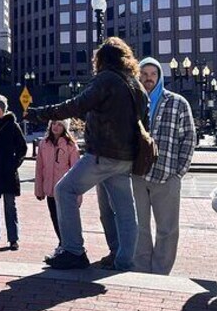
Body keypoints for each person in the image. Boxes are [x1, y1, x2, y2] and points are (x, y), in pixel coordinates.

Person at [26, 37, 148, 271]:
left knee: (64, 190)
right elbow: (141, 121)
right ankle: (124, 261)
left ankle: (73, 251)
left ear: (102, 59)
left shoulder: (106, 79)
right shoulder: (136, 85)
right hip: (126, 158)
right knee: (125, 211)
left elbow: (76, 105)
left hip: (102, 154)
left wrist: (39, 114)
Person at [132, 57, 196, 275]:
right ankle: (140, 268)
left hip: (167, 175)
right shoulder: (132, 101)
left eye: (153, 74)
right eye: (144, 74)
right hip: (137, 175)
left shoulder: (177, 102)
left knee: (167, 229)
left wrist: (179, 172)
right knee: (139, 227)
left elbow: (189, 137)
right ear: (138, 76)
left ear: (159, 77)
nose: (148, 78)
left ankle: (161, 271)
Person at [0, 94, 27, 250]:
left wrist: (14, 164)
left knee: (10, 206)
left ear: (3, 108)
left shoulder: (12, 125)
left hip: (8, 172)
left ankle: (13, 239)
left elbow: (22, 148)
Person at [35, 120, 81, 250]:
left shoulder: (70, 145)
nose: (56, 127)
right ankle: (62, 244)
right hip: (50, 190)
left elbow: (76, 171)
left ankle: (68, 246)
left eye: (60, 124)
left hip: (65, 192)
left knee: (66, 221)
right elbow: (39, 169)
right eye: (54, 123)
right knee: (55, 219)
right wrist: (39, 190)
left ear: (65, 127)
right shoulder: (44, 144)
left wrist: (78, 196)